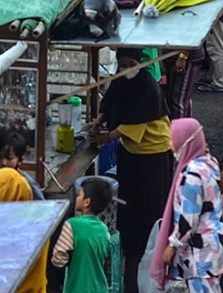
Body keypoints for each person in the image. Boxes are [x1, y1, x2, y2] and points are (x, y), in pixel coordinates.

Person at [86, 47, 173, 290]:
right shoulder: (122, 80)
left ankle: (148, 249)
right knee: (130, 204)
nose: (124, 68)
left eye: (128, 63)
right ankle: (132, 245)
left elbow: (133, 127)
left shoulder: (146, 86)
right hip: (131, 154)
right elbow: (111, 101)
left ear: (137, 62)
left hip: (152, 156)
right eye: (121, 64)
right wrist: (99, 120)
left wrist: (104, 138)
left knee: (148, 208)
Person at [151, 118, 223, 293]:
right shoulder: (210, 162)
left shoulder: (191, 174)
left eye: (173, 139)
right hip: (215, 243)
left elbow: (189, 218)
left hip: (201, 250)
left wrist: (172, 245)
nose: (171, 145)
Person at [50, 176, 113, 293]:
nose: (77, 198)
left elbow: (58, 259)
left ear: (87, 202)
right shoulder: (103, 229)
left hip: (77, 288)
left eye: (79, 195)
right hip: (100, 288)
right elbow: (106, 251)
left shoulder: (72, 225)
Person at [0, 131, 43, 199]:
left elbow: (42, 206)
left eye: (9, 158)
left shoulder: (28, 184)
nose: (3, 163)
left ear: (20, 160)